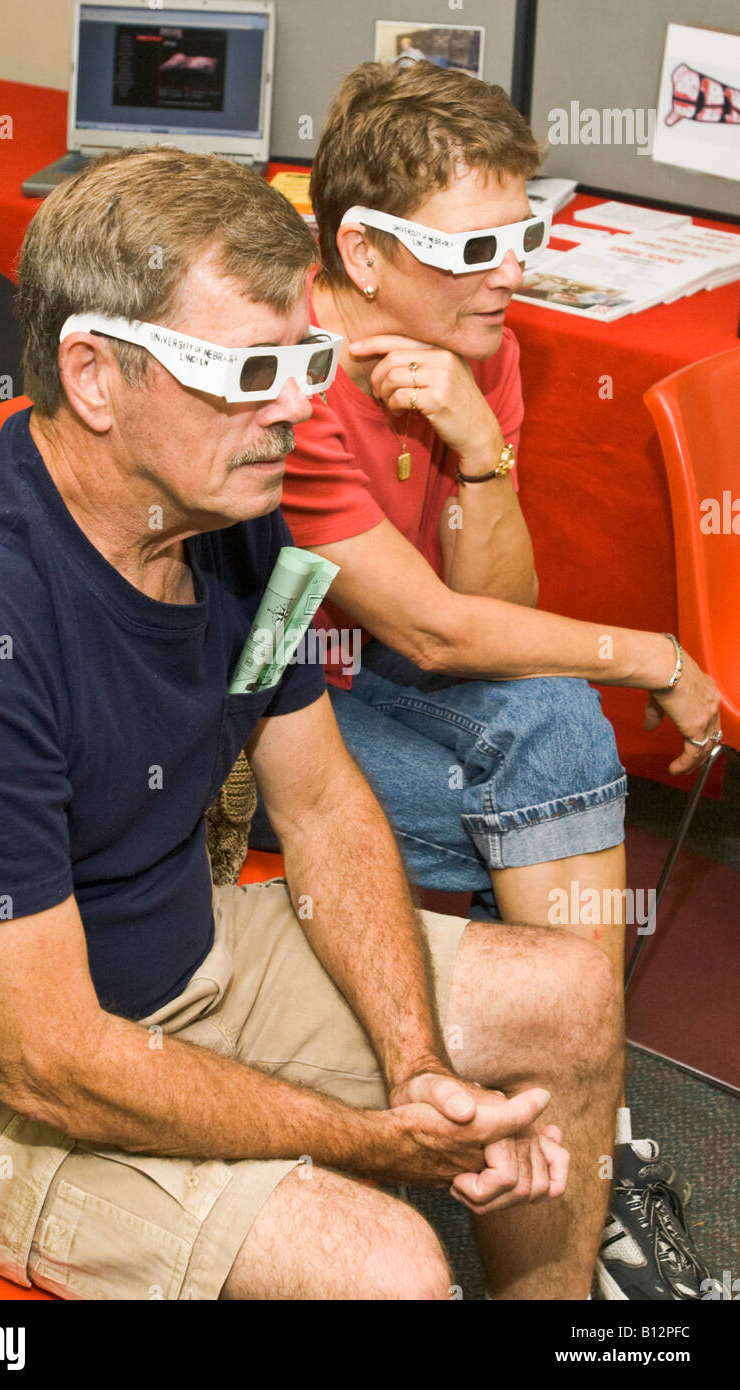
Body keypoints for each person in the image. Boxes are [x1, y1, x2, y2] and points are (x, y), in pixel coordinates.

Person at [0, 147, 624, 1301]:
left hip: (183, 950)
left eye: (304, 360)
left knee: (569, 994)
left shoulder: (231, 514)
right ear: (93, 373)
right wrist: (380, 1141)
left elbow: (319, 803)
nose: (294, 405)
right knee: (387, 1266)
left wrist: (410, 1062)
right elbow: (49, 1063)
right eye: (247, 369)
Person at [261, 60, 724, 1300]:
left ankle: (571, 1120)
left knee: (555, 722)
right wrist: (654, 655)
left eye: (521, 234)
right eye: (471, 248)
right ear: (362, 253)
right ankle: (583, 1140)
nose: (508, 271)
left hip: (375, 671)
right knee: (561, 730)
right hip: (252, 727)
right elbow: (445, 636)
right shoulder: (289, 377)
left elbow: (495, 612)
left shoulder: (473, 345)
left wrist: (477, 447)